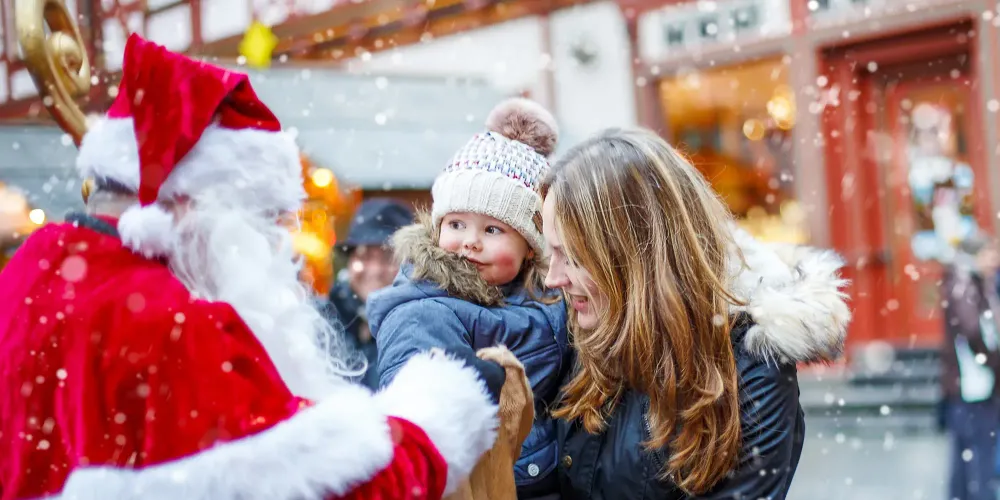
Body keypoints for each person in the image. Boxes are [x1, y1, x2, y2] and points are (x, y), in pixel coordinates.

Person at [0, 34, 504, 500]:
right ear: (195, 204)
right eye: (260, 221)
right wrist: (441, 407)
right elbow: (339, 486)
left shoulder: (27, 273)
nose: (274, 248)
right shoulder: (176, 325)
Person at [540, 128, 852, 499]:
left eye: (573, 258)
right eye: (551, 253)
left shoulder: (750, 369)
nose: (552, 278)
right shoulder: (572, 327)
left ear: (636, 257)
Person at [370, 98, 569, 498]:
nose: (469, 243)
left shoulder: (547, 294)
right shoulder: (423, 309)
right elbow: (422, 423)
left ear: (531, 246)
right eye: (457, 223)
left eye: (493, 230)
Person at [329, 198, 414, 389]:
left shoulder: (421, 327)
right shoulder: (323, 319)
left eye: (388, 257)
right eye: (363, 255)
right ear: (349, 262)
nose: (374, 270)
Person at [940, 236, 1000, 500]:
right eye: (989, 254)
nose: (994, 261)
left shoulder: (971, 283)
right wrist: (994, 360)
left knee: (967, 458)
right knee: (977, 456)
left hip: (969, 385)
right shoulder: (964, 285)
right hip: (972, 385)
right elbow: (973, 331)